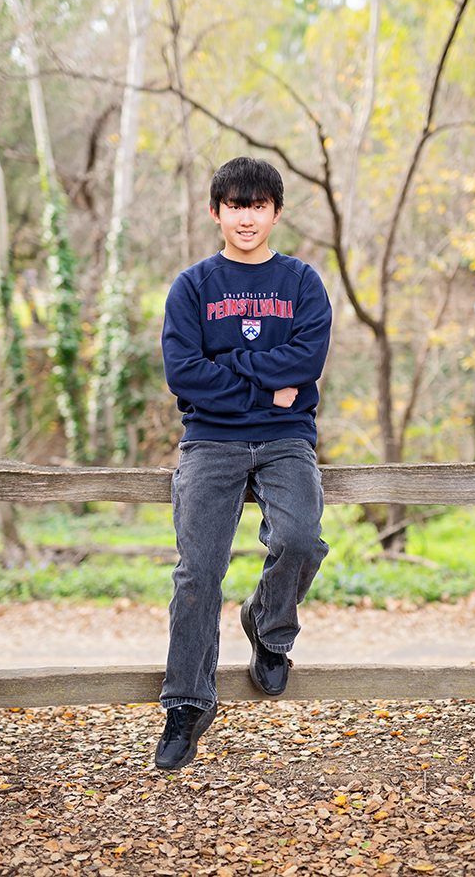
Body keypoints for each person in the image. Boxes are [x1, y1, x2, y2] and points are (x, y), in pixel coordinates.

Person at [155, 156, 332, 770]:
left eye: (259, 205)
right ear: (216, 212)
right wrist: (262, 386)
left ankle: (269, 627)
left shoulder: (303, 283)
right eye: (235, 205)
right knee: (198, 572)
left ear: (276, 212)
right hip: (210, 441)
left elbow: (304, 363)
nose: (247, 216)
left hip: (287, 436)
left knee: (302, 539)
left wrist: (227, 373)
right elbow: (183, 373)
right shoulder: (193, 287)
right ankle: (187, 702)